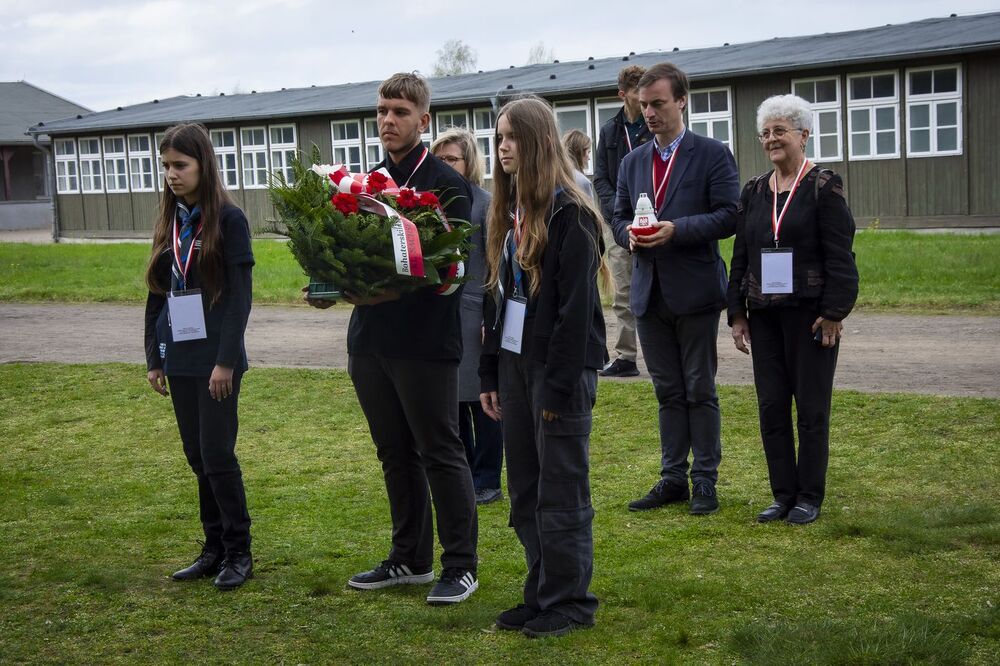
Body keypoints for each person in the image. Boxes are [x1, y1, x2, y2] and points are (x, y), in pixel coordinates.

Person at [307, 73, 479, 605]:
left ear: (423, 120)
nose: (388, 120)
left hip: (425, 341)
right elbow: (350, 249)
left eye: (400, 111)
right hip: (370, 341)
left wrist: (384, 293)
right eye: (382, 110)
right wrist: (327, 281)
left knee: (439, 451)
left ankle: (461, 566)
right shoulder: (365, 182)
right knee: (393, 453)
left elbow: (448, 268)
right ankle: (410, 558)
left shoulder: (448, 184)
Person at [480, 97, 608, 638]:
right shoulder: (512, 216)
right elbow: (498, 296)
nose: (502, 147)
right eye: (498, 137)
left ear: (536, 143)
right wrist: (490, 374)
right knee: (526, 488)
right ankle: (542, 591)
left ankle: (571, 600)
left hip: (560, 373)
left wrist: (555, 390)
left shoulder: (570, 216)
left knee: (561, 489)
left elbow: (575, 315)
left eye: (511, 137)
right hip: (515, 366)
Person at [611, 63, 739, 516]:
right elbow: (619, 216)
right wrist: (628, 233)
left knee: (699, 388)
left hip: (696, 290)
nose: (649, 112)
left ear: (682, 100)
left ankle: (705, 480)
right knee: (667, 391)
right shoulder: (632, 161)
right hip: (649, 294)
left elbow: (729, 215)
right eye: (643, 105)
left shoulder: (712, 154)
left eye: (658, 104)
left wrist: (677, 229)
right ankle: (672, 478)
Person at [727, 94, 859, 525]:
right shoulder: (753, 190)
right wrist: (737, 312)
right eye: (765, 133)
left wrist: (836, 311)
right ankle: (782, 494)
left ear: (804, 134)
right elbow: (741, 256)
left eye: (780, 131)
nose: (771, 139)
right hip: (763, 315)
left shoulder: (823, 186)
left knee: (812, 408)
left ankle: (808, 496)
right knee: (771, 408)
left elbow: (841, 256)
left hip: (810, 317)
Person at [143, 123, 255, 590]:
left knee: (217, 454)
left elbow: (239, 298)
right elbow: (157, 293)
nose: (171, 174)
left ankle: (238, 552)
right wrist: (154, 356)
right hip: (180, 358)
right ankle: (212, 548)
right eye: (166, 165)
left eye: (180, 165)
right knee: (195, 456)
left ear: (203, 165)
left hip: (216, 361)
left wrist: (225, 361)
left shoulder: (229, 221)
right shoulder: (172, 221)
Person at [430, 128, 504, 506]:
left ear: (469, 162)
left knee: (482, 398)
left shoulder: (486, 204)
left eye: (452, 159)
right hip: (441, 313)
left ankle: (488, 478)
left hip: (475, 310)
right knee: (451, 399)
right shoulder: (426, 204)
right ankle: (463, 474)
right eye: (439, 159)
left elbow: (495, 266)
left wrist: (489, 317)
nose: (445, 166)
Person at [594, 65, 651, 379]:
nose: (643, 99)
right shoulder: (610, 130)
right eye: (636, 93)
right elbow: (600, 176)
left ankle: (662, 353)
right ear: (623, 94)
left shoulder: (654, 124)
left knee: (658, 285)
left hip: (653, 216)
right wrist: (618, 206)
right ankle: (626, 357)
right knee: (623, 291)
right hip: (618, 221)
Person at [561, 129, 595, 198]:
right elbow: (589, 208)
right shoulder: (582, 182)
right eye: (588, 152)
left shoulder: (556, 176)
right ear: (580, 152)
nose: (589, 158)